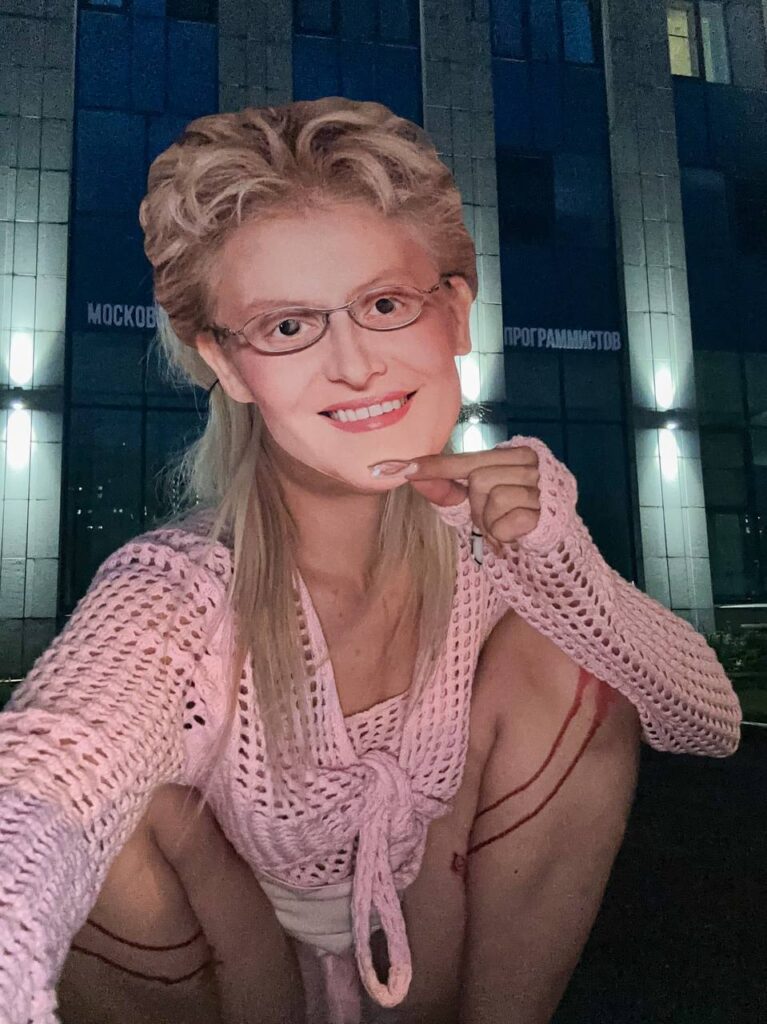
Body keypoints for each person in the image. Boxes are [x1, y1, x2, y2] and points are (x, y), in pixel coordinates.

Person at [0, 98, 741, 1024]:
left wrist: (562, 569)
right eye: (285, 327)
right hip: (230, 975)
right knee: (118, 822)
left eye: (385, 305)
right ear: (226, 365)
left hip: (432, 942)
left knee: (568, 660)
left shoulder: (490, 557)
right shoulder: (179, 588)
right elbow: (43, 781)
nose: (354, 366)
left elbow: (709, 723)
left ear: (454, 313)